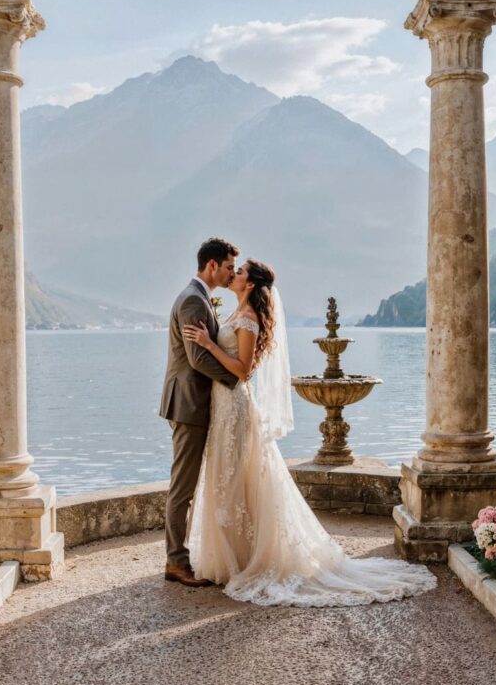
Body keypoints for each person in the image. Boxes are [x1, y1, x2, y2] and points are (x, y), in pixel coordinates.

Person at [182, 259, 437, 606]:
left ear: (250, 284)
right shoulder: (236, 312)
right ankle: (233, 556)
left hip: (235, 405)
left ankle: (244, 560)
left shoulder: (249, 318)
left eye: (239, 272)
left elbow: (243, 370)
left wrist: (209, 345)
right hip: (222, 405)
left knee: (234, 477)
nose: (234, 274)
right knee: (227, 479)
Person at [159, 237, 240, 586]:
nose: (231, 273)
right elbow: (197, 358)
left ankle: (181, 557)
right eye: (228, 268)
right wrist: (236, 378)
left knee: (188, 484)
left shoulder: (198, 297)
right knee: (183, 487)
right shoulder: (193, 300)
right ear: (212, 265)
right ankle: (176, 562)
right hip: (189, 403)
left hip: (194, 402)